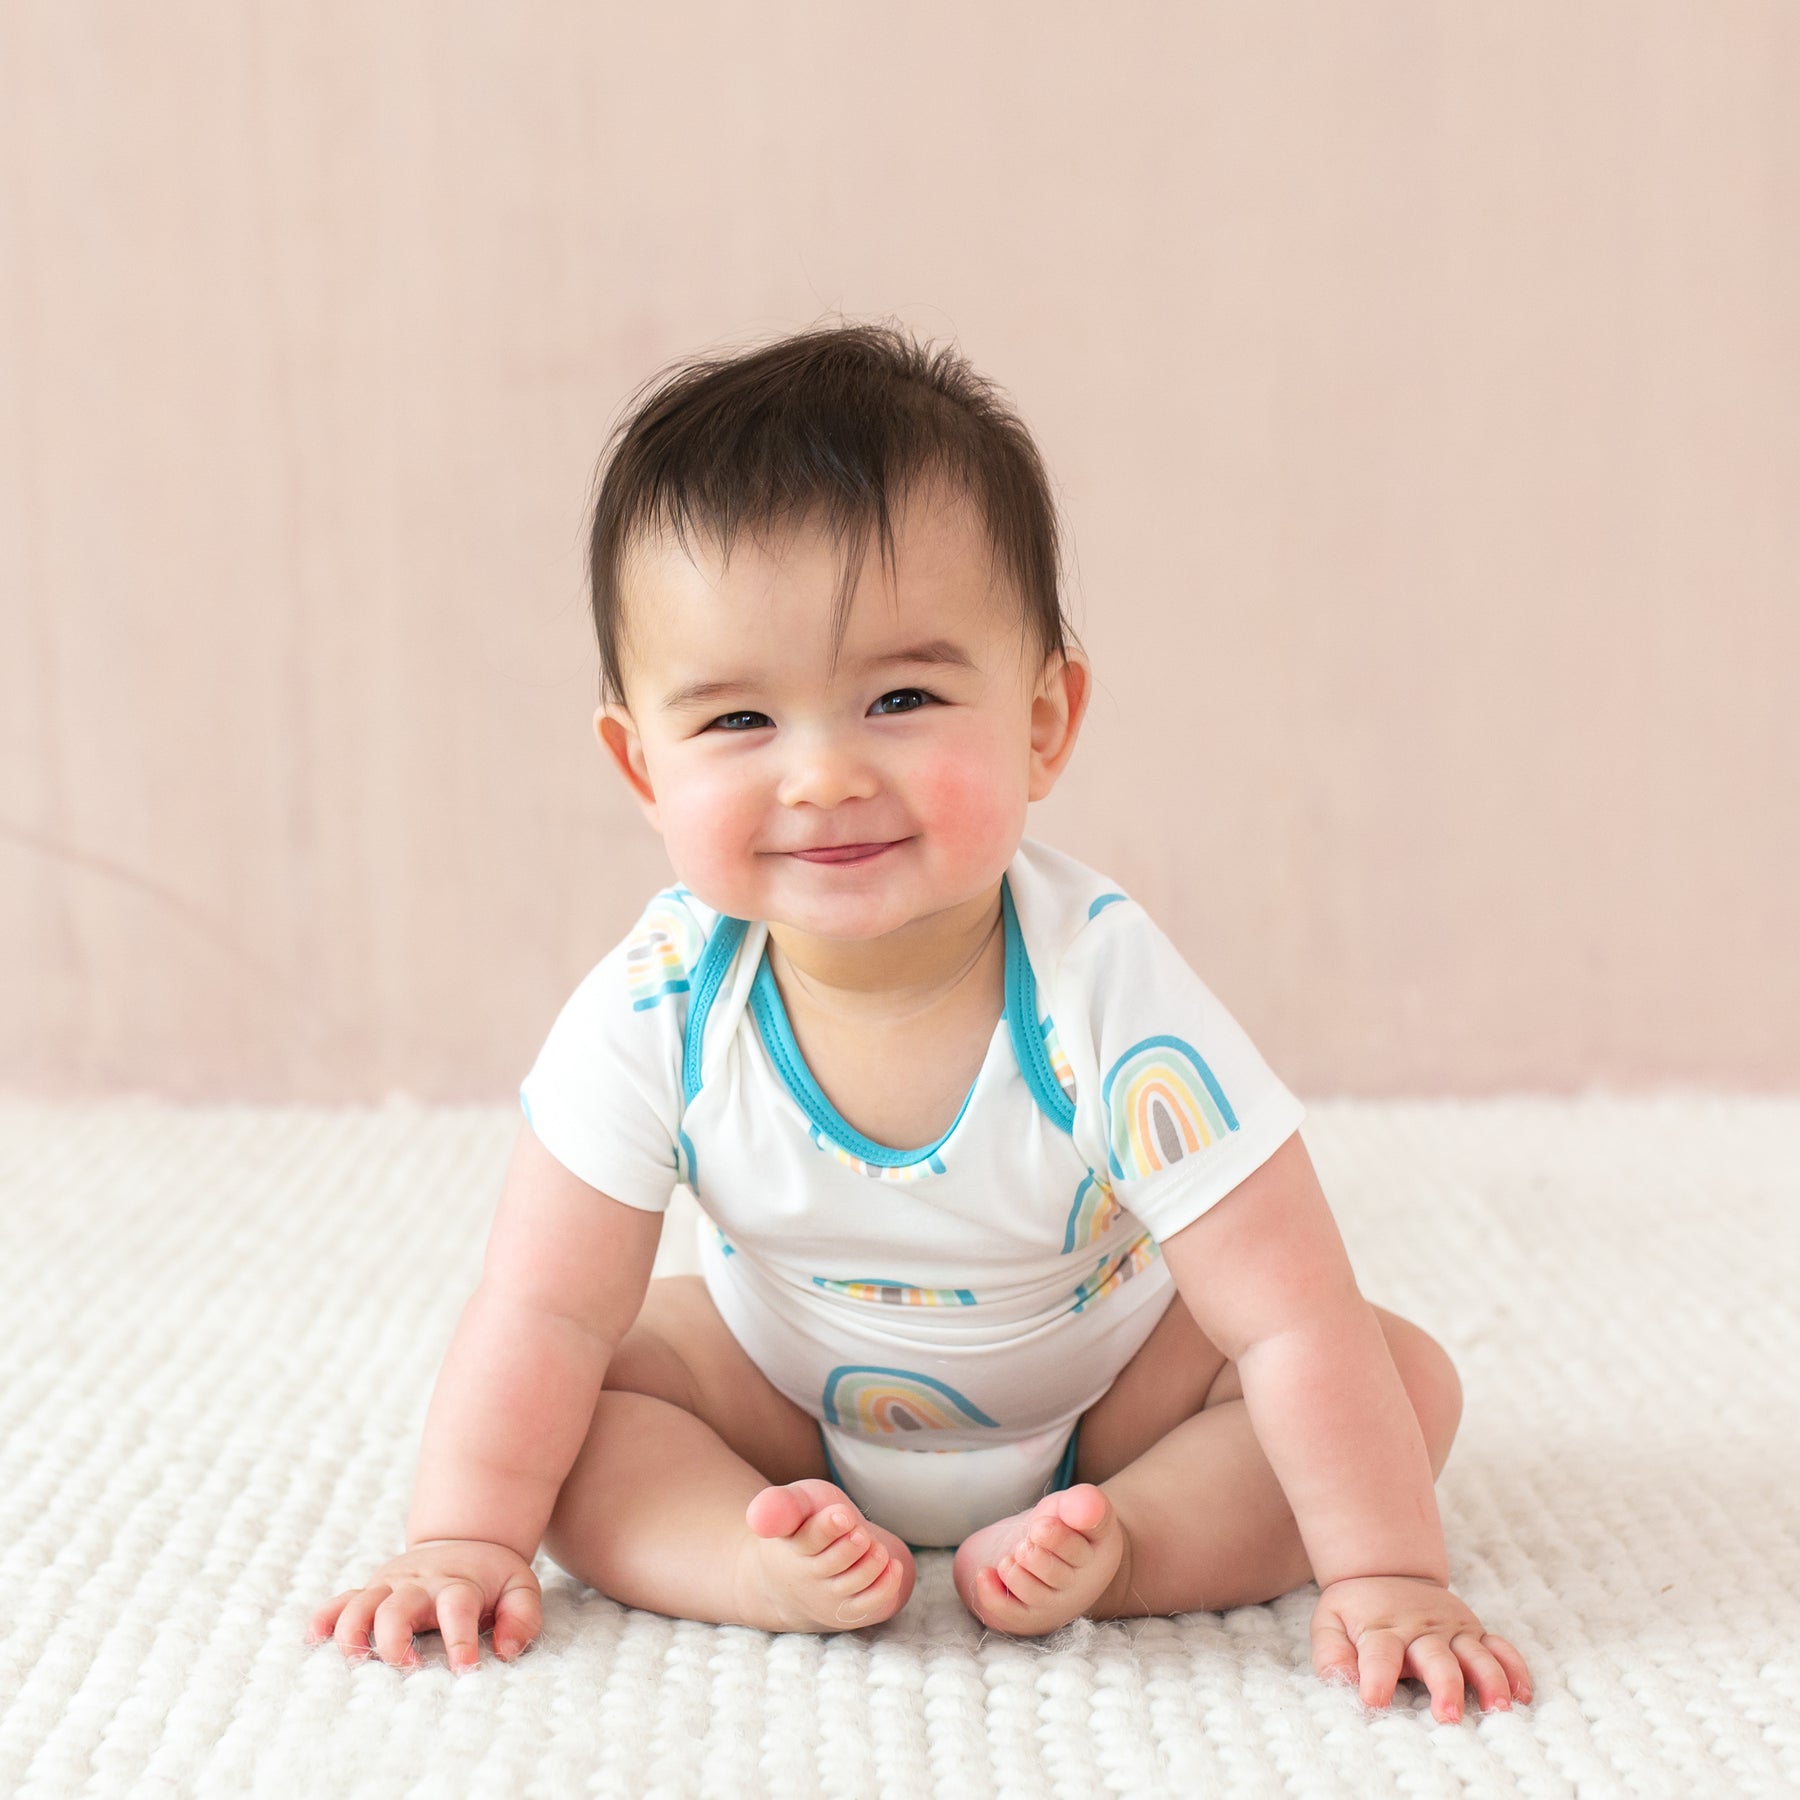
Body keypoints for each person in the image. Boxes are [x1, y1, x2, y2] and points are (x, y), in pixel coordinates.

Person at [307, 321, 1532, 1723]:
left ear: (1043, 722)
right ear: (639, 765)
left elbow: (1290, 1309)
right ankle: (750, 1562)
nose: (824, 776)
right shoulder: (659, 1004)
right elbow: (540, 1304)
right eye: (737, 723)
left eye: (902, 697)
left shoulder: (1103, 991)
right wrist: (463, 1537)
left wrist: (1384, 1574)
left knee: (1391, 1376)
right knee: (588, 1388)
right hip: (781, 1409)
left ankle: (1120, 1550)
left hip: (1109, 1404)